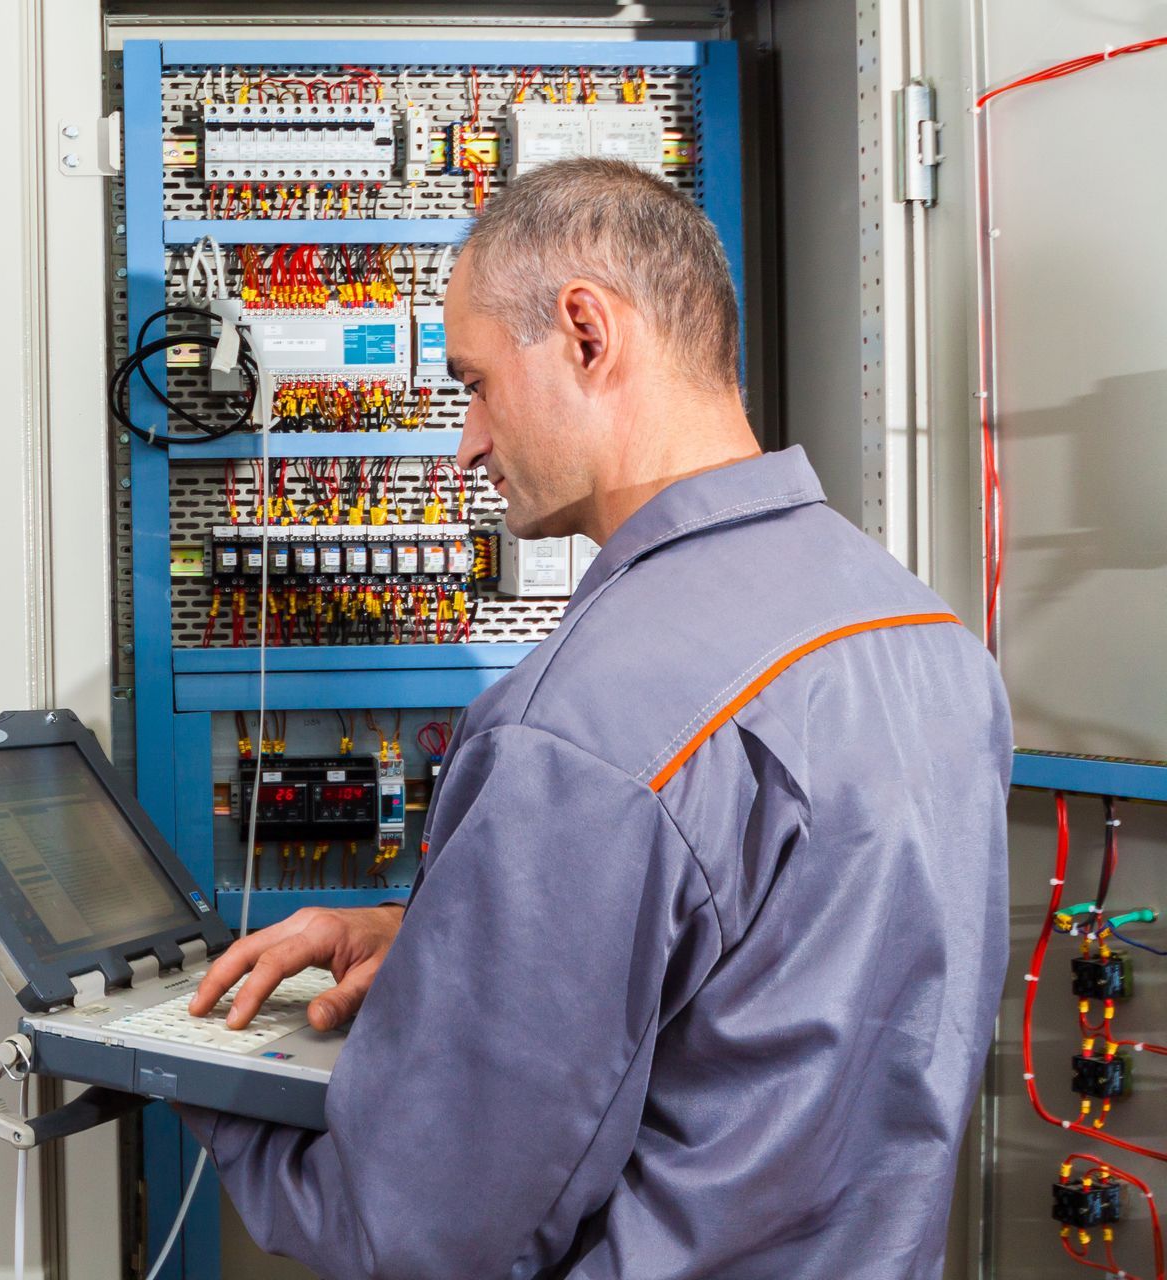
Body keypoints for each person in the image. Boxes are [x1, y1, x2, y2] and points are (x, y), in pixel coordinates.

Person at [180, 157, 1011, 1279]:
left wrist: (195, 1079)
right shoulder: (928, 641)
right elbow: (767, 991)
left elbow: (425, 1230)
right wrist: (441, 941)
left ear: (585, 332)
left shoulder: (573, 729)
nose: (465, 442)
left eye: (474, 381)